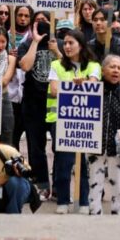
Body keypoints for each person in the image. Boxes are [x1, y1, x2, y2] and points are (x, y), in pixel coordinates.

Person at [47, 29, 100, 214]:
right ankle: (62, 199)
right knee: (63, 162)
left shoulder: (93, 65)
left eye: (71, 43)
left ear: (81, 45)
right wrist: (76, 85)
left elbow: (93, 84)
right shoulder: (56, 65)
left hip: (85, 121)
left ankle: (83, 201)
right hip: (60, 120)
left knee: (82, 163)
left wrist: (83, 83)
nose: (67, 46)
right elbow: (54, 90)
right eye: (65, 43)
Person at [87, 55, 120, 215]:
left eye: (119, 68)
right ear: (103, 70)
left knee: (118, 186)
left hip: (118, 147)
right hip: (95, 146)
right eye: (112, 67)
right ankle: (94, 215)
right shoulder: (92, 89)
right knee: (95, 185)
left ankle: (119, 216)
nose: (116, 70)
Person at [17, 15, 55, 197]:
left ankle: (59, 187)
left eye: (44, 20)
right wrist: (35, 42)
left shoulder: (60, 43)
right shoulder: (27, 44)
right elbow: (24, 66)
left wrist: (57, 50)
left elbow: (70, 66)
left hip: (55, 103)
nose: (40, 24)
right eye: (37, 21)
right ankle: (42, 184)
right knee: (36, 146)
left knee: (60, 147)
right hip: (33, 102)